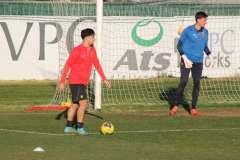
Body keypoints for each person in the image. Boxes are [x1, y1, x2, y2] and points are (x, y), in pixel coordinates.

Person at [59, 28, 111, 135]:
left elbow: (96, 64)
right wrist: (62, 81)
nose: (94, 39)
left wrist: (104, 78)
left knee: (75, 105)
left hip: (82, 82)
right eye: (92, 37)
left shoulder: (92, 50)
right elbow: (67, 64)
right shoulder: (77, 50)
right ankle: (80, 128)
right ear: (87, 38)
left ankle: (68, 127)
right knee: (83, 104)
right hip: (76, 81)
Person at [170, 11, 213, 116]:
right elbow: (179, 46)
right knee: (183, 82)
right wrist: (184, 58)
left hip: (198, 62)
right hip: (186, 60)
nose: (206, 22)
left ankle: (193, 107)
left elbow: (204, 45)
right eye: (204, 20)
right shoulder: (188, 31)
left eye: (206, 20)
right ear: (198, 20)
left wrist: (209, 54)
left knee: (197, 83)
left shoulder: (205, 32)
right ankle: (175, 105)